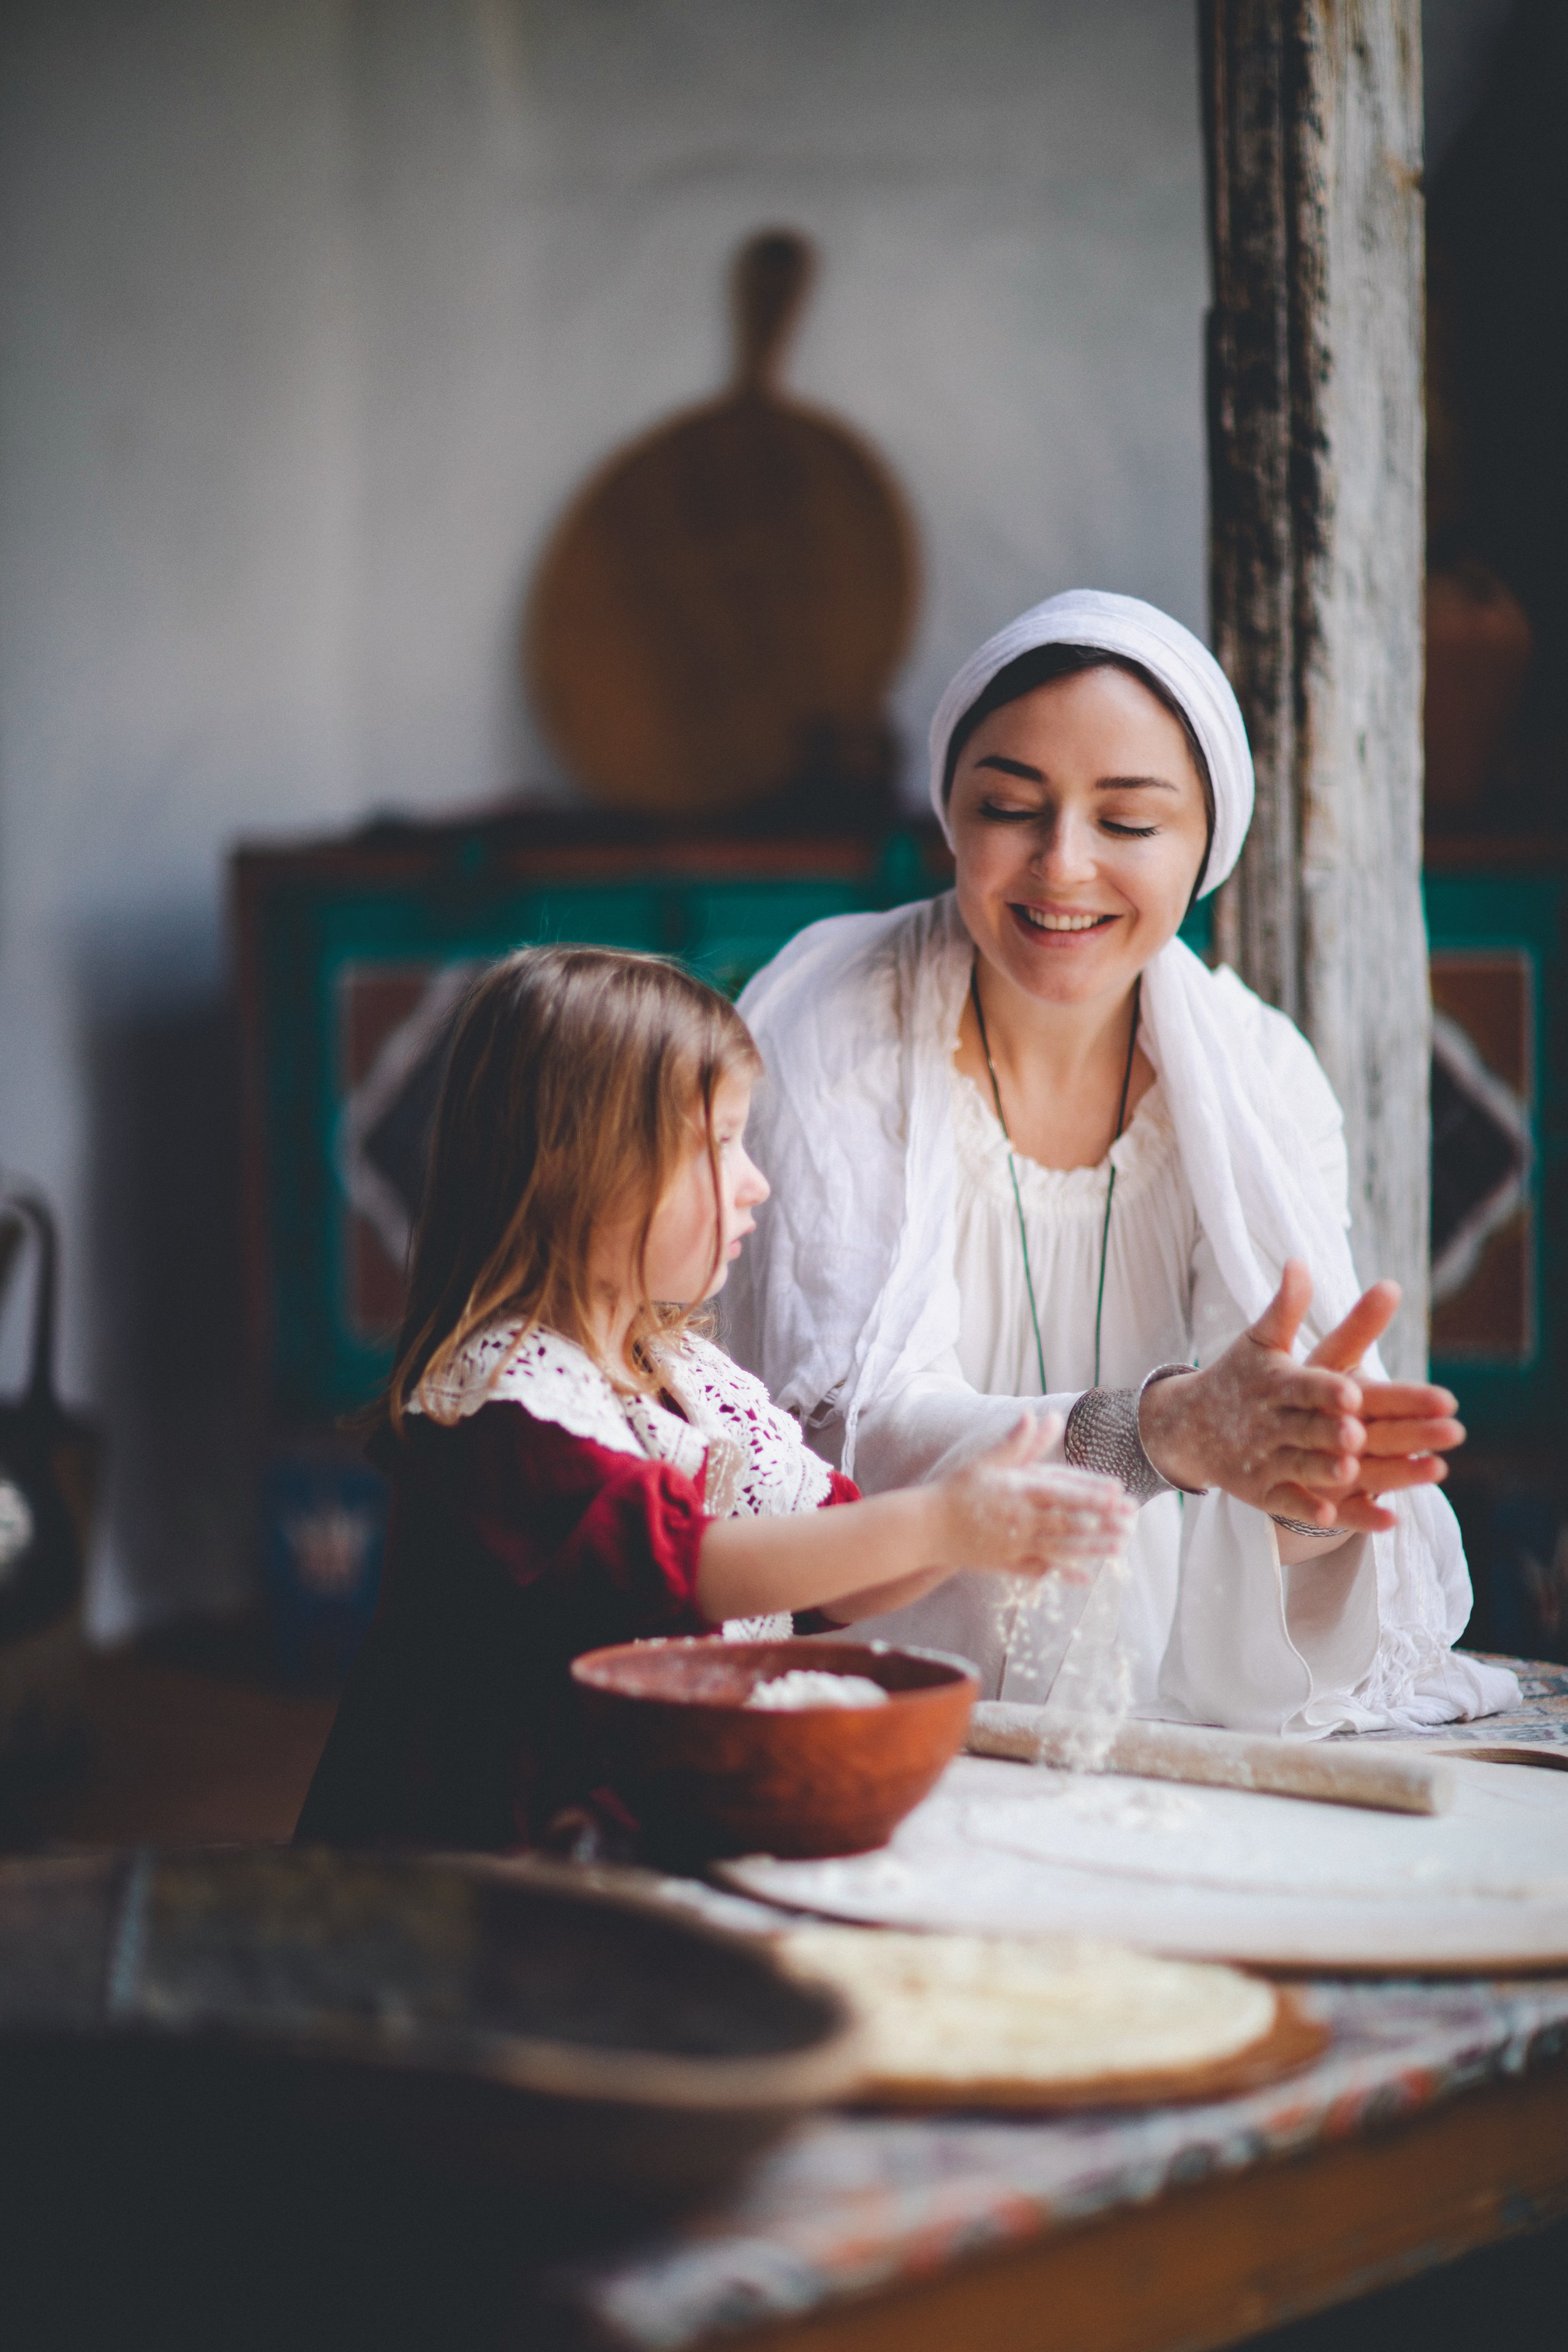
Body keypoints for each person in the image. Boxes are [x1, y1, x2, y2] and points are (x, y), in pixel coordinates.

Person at [725, 590, 1519, 1735]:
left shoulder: (1258, 1074)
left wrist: (1306, 1491)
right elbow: (847, 1443)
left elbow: (1267, 1496)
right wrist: (1156, 1432)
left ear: (1206, 850)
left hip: (1150, 1709)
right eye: (1010, 808)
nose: (1062, 866)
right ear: (950, 813)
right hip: (869, 1696)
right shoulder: (835, 1021)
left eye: (1130, 823)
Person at [295, 946, 1132, 1850]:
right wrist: (938, 1521)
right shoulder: (506, 1406)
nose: (756, 1181)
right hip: (483, 1864)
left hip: (630, 1824)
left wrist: (969, 1540)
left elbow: (834, 1581)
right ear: (578, 1167)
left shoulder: (685, 1379)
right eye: (720, 1142)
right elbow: (689, 1568)